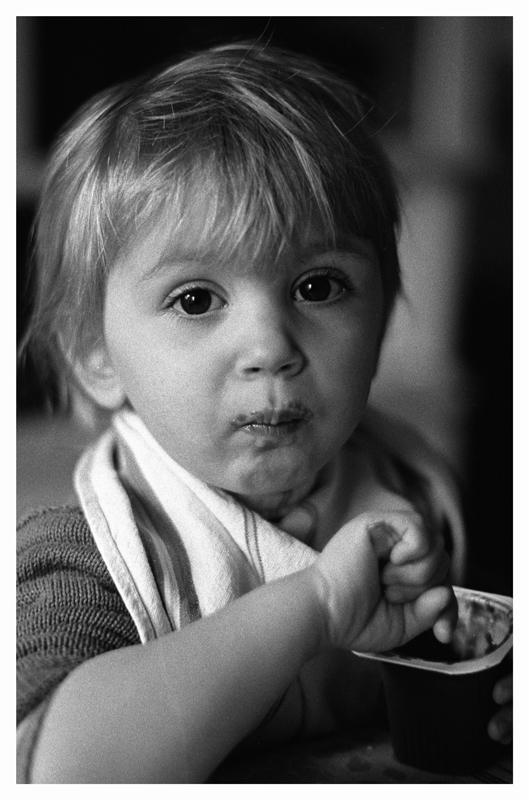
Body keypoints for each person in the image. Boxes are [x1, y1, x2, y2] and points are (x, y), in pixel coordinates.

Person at [16, 41, 512, 783]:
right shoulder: (92, 554)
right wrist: (314, 605)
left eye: (318, 286)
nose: (271, 347)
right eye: (196, 300)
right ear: (97, 355)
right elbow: (56, 771)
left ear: (381, 320)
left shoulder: (407, 486)